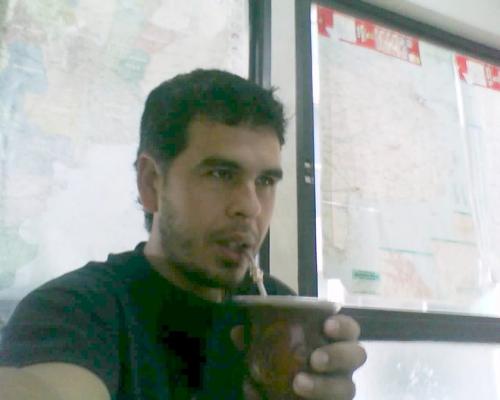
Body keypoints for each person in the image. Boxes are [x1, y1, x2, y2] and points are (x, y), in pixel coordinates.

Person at [0, 69, 366, 399]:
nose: (251, 207)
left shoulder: (276, 308)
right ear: (151, 183)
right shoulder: (78, 310)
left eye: (266, 181)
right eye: (221, 174)